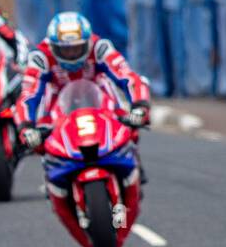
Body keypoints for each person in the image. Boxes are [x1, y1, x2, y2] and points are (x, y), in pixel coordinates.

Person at [15, 11, 150, 160]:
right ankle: (53, 176)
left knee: (130, 129)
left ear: (88, 42)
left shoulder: (100, 47)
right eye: (65, 49)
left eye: (77, 48)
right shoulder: (41, 57)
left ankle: (132, 163)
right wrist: (26, 127)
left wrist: (140, 105)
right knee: (40, 143)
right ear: (53, 47)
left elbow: (127, 76)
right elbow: (29, 94)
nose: (72, 54)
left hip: (99, 99)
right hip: (58, 106)